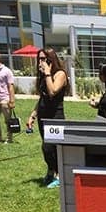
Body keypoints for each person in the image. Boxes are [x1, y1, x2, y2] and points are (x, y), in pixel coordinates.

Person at [26, 48, 69, 189]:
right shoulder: (44, 76)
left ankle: (59, 175)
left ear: (51, 59)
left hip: (55, 116)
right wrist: (33, 114)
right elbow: (43, 97)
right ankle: (51, 171)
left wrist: (47, 73)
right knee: (46, 147)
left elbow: (52, 92)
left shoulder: (60, 74)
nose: (41, 62)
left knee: (50, 147)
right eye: (39, 59)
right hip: (43, 116)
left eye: (44, 59)